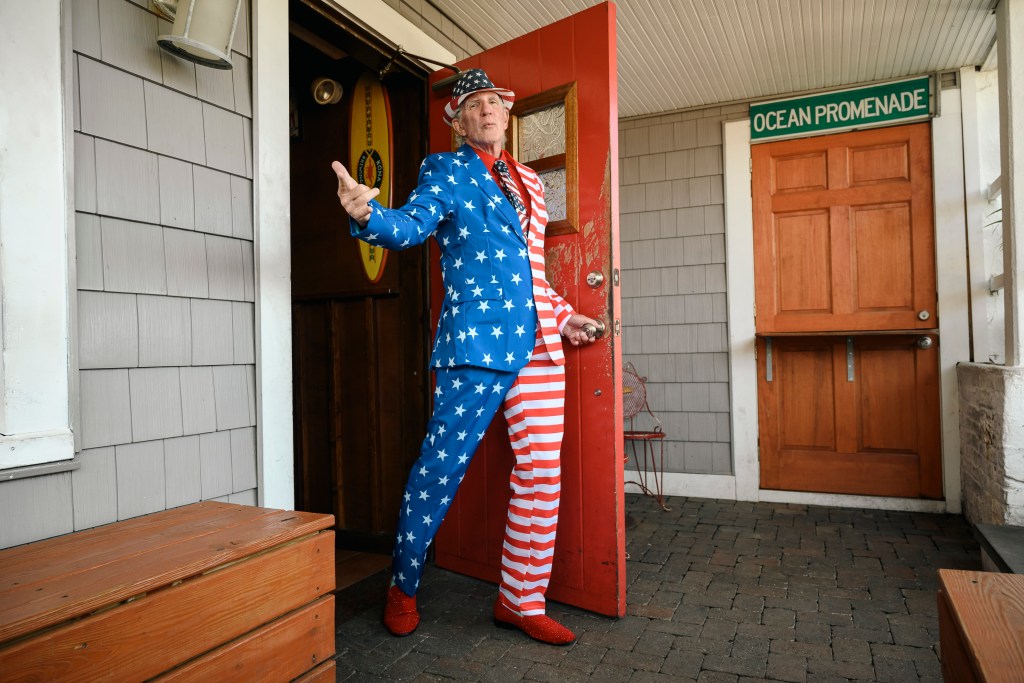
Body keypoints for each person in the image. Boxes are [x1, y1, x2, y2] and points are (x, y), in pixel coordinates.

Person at [332, 68, 598, 646]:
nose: (486, 112)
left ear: (507, 114)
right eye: (472, 105)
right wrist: (366, 216)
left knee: (542, 474)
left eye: (493, 103)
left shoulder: (530, 179)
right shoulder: (445, 169)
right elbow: (411, 226)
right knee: (439, 472)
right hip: (475, 343)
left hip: (537, 346)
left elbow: (532, 270)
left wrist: (562, 314)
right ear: (457, 119)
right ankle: (402, 586)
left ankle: (520, 600)